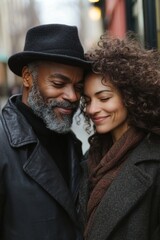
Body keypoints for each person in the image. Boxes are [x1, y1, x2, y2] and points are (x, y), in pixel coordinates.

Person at [0, 23, 90, 240]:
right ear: (28, 78)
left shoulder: (71, 142)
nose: (72, 96)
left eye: (78, 87)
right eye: (59, 83)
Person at [79, 32, 160, 240]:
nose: (92, 109)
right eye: (87, 100)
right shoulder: (90, 157)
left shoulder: (154, 162)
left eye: (104, 98)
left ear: (130, 96)